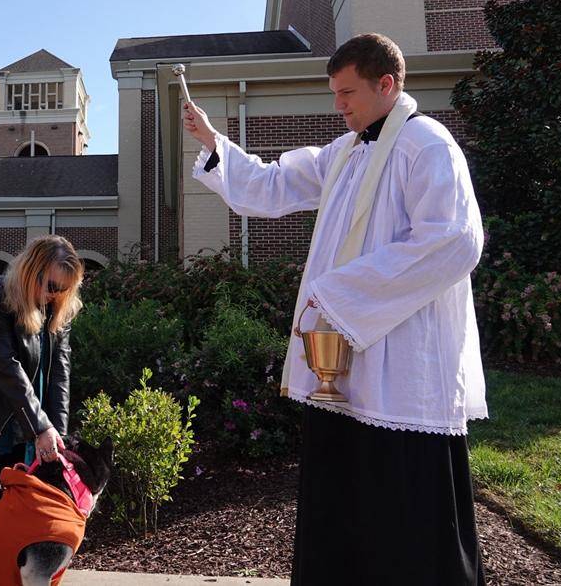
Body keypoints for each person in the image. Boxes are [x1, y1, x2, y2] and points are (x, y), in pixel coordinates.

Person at [185, 33, 487, 585]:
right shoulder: (346, 151)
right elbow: (273, 186)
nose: (339, 105)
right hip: (343, 360)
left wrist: (344, 292)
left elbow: (455, 241)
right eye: (335, 93)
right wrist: (214, 144)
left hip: (404, 359)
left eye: (348, 93)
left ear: (386, 85)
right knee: (344, 496)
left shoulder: (428, 145)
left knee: (402, 500)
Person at [0, 235, 84, 525]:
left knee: (23, 516)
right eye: (51, 286)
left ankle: (10, 572)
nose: (55, 295)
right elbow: (5, 367)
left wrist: (55, 434)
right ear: (30, 271)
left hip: (30, 422)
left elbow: (61, 371)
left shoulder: (56, 307)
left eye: (63, 290)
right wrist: (42, 426)